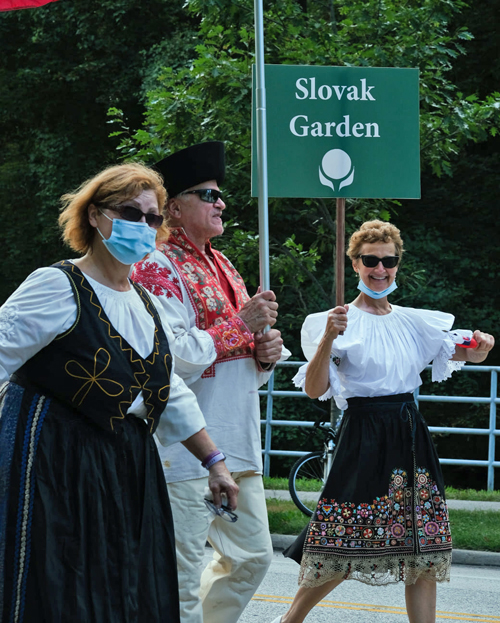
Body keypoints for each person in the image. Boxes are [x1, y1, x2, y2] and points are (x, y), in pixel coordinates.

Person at [0, 162, 238, 623]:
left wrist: (214, 462)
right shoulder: (58, 285)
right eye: (130, 212)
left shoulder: (145, 302)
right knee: (58, 585)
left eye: (152, 218)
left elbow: (165, 390)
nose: (143, 226)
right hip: (54, 457)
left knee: (126, 584)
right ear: (94, 216)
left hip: (127, 460)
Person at [270, 220, 495, 623]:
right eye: (370, 260)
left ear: (397, 264)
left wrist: (483, 345)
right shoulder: (334, 320)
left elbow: (470, 355)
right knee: (343, 540)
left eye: (387, 261)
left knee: (422, 543)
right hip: (364, 433)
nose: (380, 269)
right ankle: (290, 620)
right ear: (355, 263)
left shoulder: (415, 321)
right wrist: (327, 338)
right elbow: (314, 388)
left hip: (409, 432)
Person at [132, 141, 289, 623]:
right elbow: (171, 358)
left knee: (253, 559)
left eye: (220, 195)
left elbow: (241, 359)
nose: (221, 203)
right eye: (208, 194)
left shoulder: (224, 265)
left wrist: (267, 356)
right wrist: (241, 327)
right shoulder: (155, 267)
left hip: (237, 443)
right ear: (173, 208)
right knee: (178, 579)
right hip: (182, 451)